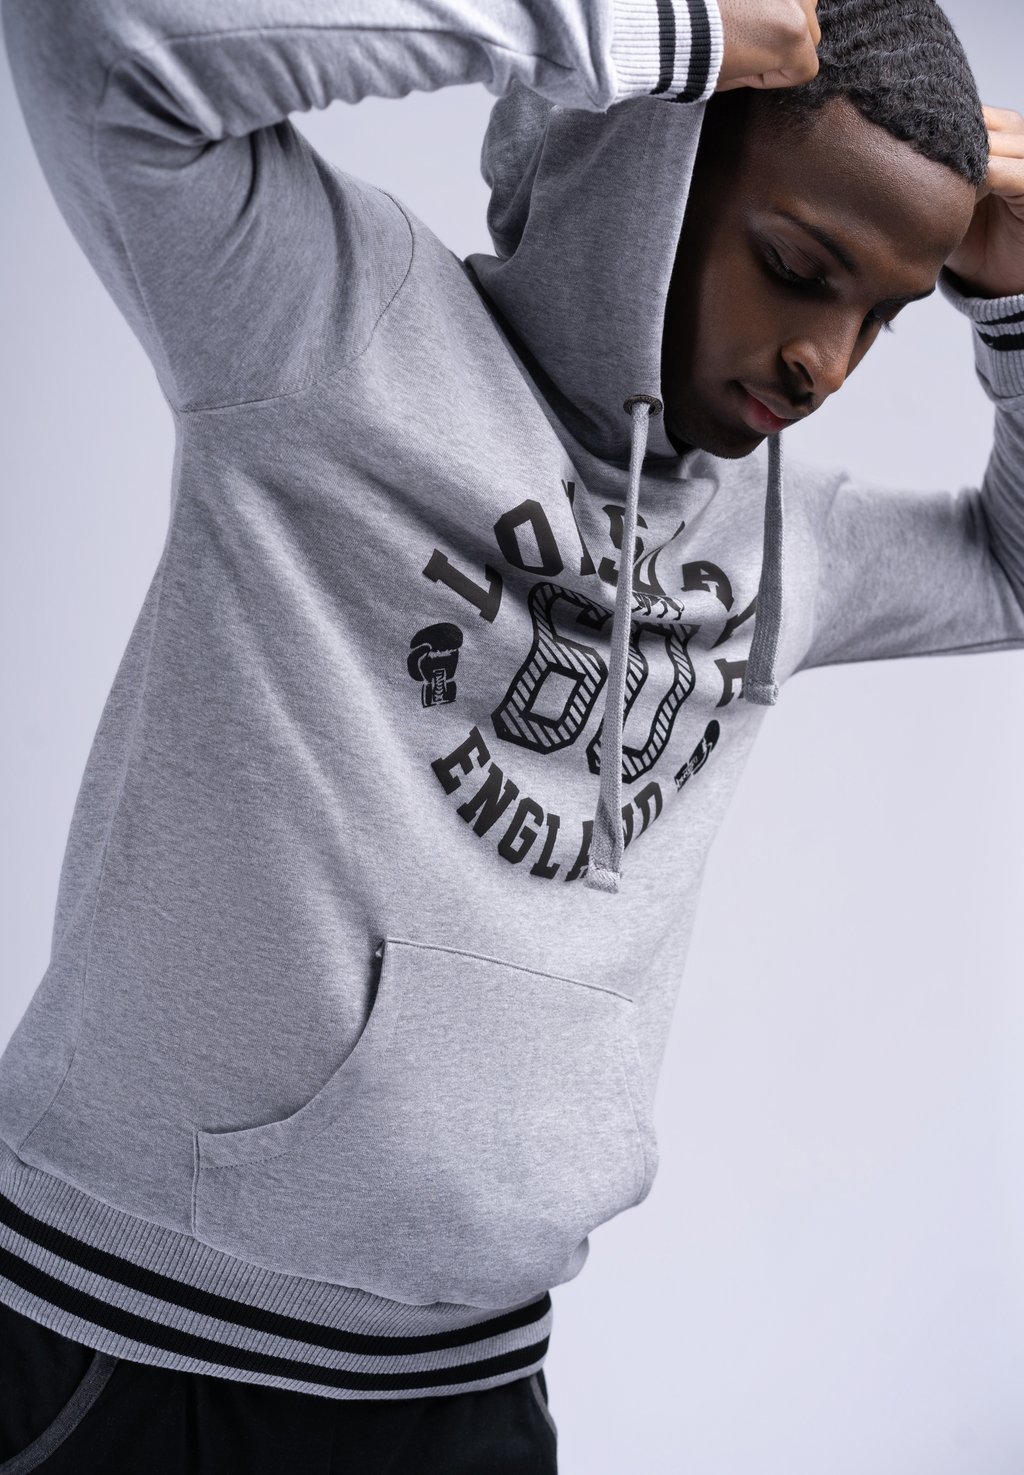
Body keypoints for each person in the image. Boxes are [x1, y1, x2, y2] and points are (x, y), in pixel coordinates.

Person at [0, 0, 1021, 1468]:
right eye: (800, 271)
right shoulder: (328, 330)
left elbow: (1011, 570)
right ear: (647, 161)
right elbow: (99, 46)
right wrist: (620, 23)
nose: (826, 364)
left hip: (473, 1377)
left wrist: (1017, 314)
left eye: (880, 316)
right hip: (132, 1330)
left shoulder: (785, 541)